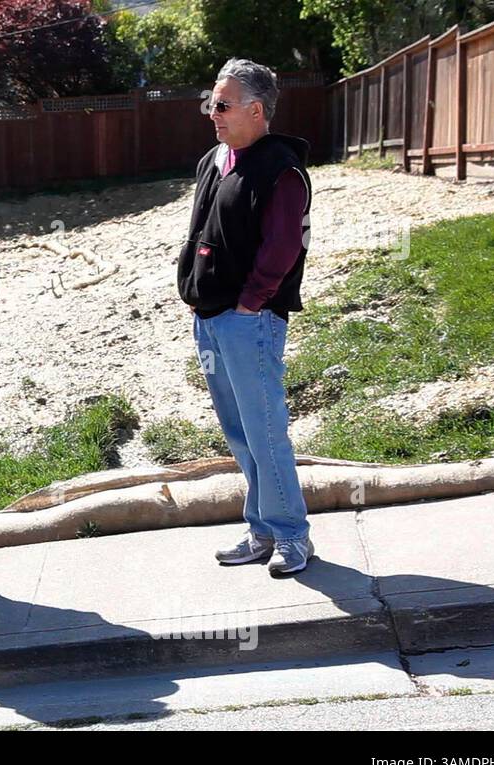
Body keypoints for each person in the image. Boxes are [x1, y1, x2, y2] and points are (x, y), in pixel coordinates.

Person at [177, 58, 316, 576]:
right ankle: (260, 529)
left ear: (256, 110)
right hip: (210, 320)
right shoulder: (216, 159)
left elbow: (283, 249)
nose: (212, 114)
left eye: (222, 105)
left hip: (248, 322)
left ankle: (292, 537)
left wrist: (249, 304)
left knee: (265, 432)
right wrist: (197, 293)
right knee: (238, 432)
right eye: (210, 104)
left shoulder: (281, 168)